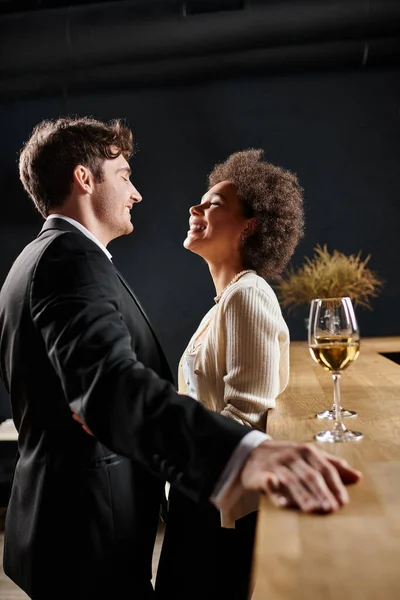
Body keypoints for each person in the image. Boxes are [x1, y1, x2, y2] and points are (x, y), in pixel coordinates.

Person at [0, 118, 361, 600]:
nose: (137, 193)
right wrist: (241, 453)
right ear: (85, 179)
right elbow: (108, 387)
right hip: (86, 530)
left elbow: (92, 389)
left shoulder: (35, 258)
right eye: (125, 174)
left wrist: (101, 404)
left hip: (70, 526)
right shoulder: (71, 258)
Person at [155, 150, 305, 599]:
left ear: (249, 226)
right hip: (203, 489)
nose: (194, 209)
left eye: (213, 203)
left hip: (218, 506)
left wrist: (167, 448)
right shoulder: (228, 301)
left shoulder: (248, 296)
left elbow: (248, 415)